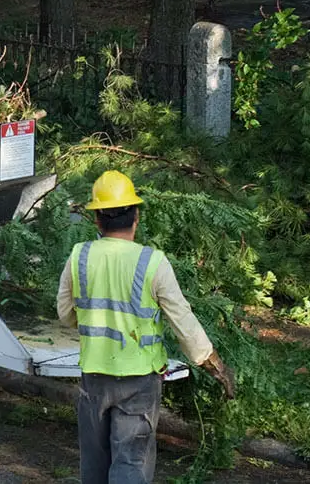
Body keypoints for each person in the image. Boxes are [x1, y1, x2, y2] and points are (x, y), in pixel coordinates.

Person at [57, 170, 236, 484]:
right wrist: (214, 364)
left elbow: (66, 315)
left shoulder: (79, 257)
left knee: (94, 465)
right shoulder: (153, 263)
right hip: (139, 381)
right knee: (131, 463)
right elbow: (183, 321)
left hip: (94, 377)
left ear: (97, 219)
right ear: (135, 216)